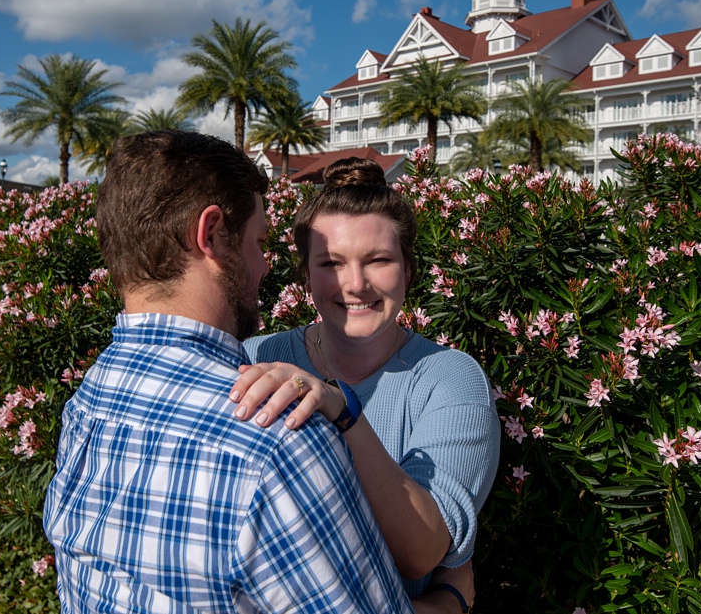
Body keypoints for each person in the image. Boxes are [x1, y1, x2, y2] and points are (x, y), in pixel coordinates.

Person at [43, 131, 473, 614]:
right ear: (210, 235)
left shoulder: (90, 399)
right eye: (259, 243)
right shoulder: (278, 432)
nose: (266, 266)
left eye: (379, 259)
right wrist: (451, 601)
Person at [231, 156, 500, 599]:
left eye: (378, 260)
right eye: (332, 263)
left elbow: (421, 551)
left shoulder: (449, 379)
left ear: (408, 270)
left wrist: (342, 412)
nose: (355, 284)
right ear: (306, 275)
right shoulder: (257, 356)